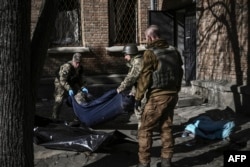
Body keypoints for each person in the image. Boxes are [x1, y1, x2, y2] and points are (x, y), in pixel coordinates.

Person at [135, 25, 183, 167]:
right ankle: (166, 162)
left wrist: (138, 97)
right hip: (172, 95)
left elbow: (145, 77)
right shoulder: (174, 50)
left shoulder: (150, 53)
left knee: (145, 129)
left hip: (157, 97)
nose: (146, 41)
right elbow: (179, 72)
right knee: (166, 128)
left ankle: (144, 163)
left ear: (150, 37)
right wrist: (176, 89)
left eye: (146, 38)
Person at [116, 43, 146, 135]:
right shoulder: (137, 61)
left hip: (144, 90)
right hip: (141, 88)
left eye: (125, 55)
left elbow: (131, 78)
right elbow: (137, 80)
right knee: (139, 110)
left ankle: (142, 133)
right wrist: (133, 92)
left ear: (131, 54)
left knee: (140, 111)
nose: (125, 57)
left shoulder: (137, 62)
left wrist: (120, 88)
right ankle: (142, 130)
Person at [52, 52, 88, 119]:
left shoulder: (80, 68)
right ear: (73, 61)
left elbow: (81, 79)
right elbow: (62, 80)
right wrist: (69, 89)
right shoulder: (67, 67)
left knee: (80, 96)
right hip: (60, 83)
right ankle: (54, 117)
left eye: (79, 63)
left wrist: (83, 87)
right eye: (76, 63)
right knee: (59, 100)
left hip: (71, 82)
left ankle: (79, 117)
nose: (78, 64)